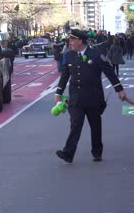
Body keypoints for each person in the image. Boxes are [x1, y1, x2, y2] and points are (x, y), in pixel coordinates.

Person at [54, 29, 127, 163]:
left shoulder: (95, 55)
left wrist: (119, 90)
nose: (70, 42)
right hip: (75, 97)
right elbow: (65, 75)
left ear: (79, 41)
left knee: (95, 125)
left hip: (93, 96)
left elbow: (109, 72)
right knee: (75, 124)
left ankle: (97, 151)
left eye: (72, 39)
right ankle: (68, 153)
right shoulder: (69, 55)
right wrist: (58, 93)